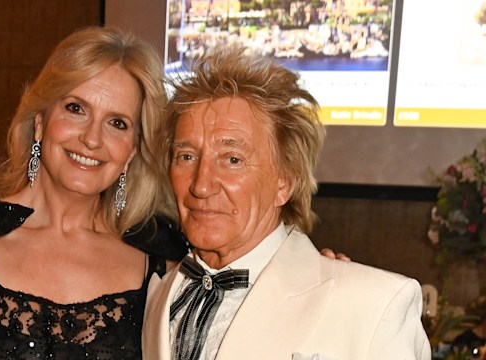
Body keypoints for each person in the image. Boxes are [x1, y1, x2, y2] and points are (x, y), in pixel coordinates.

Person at [0, 26, 188, 359]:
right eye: (76, 109)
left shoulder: (161, 264)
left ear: (133, 150)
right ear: (40, 121)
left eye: (117, 123)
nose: (92, 139)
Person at [142, 47, 432, 359]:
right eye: (186, 156)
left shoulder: (375, 305)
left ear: (285, 182)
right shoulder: (155, 295)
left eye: (232, 159)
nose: (200, 184)